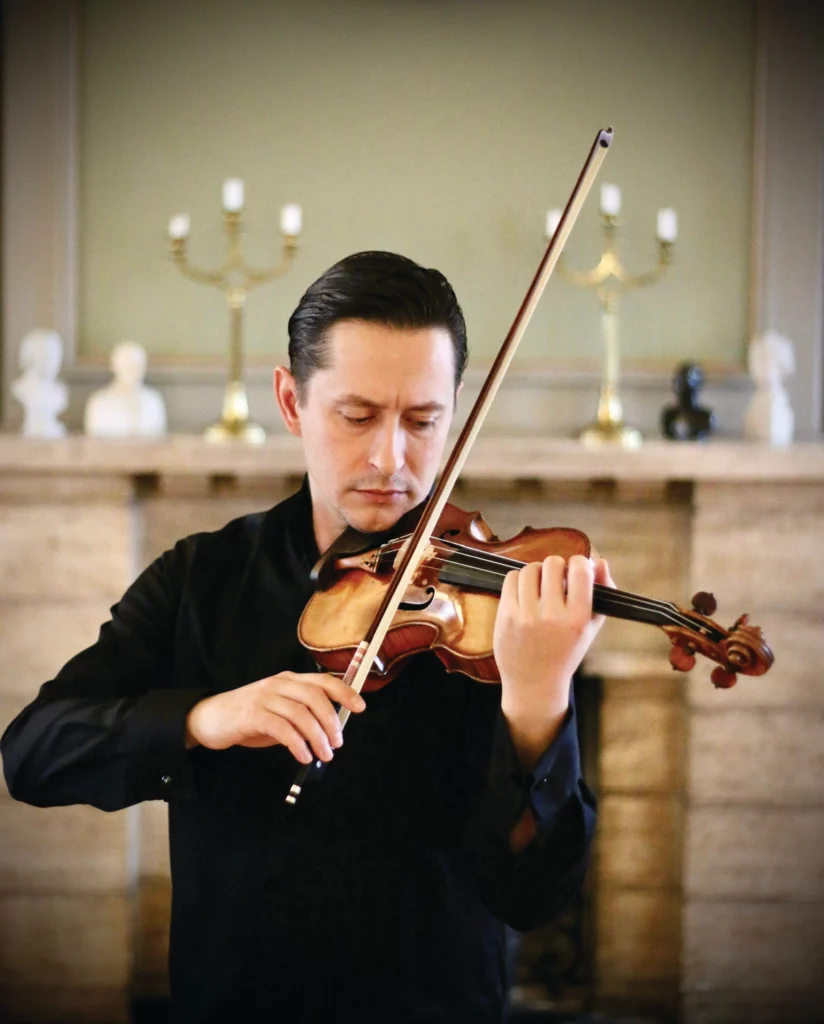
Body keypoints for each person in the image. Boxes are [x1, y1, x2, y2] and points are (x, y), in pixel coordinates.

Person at [1, 251, 612, 1023]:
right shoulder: (202, 576)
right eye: (356, 416)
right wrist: (202, 719)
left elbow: (533, 897)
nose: (392, 458)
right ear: (291, 402)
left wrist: (538, 699)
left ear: (457, 409)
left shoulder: (496, 615)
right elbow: (31, 754)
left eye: (424, 421)